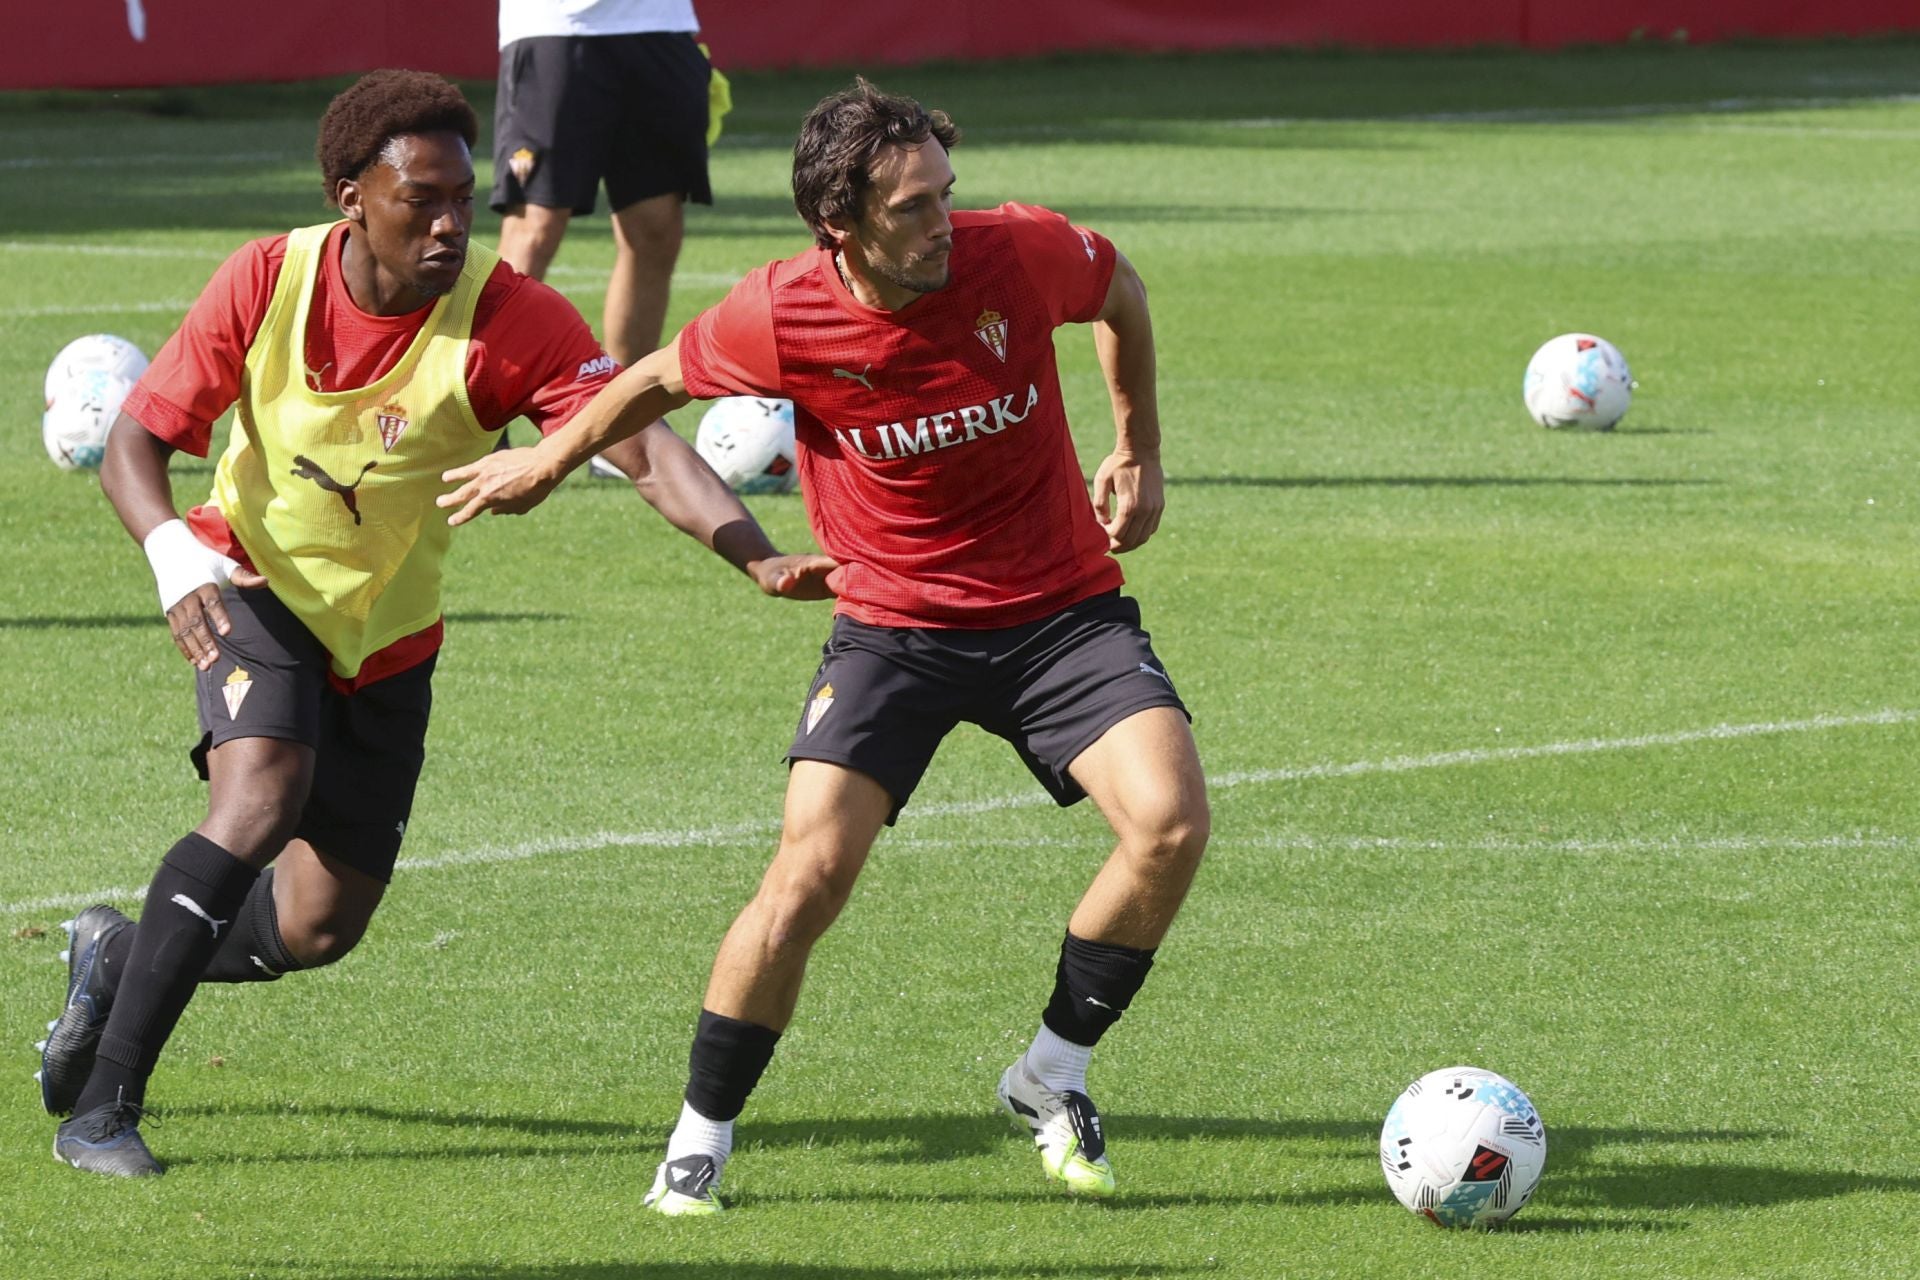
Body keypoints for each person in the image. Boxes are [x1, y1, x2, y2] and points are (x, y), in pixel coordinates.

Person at [39, 68, 830, 1179]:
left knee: (317, 926)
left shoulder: (511, 318)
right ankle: (103, 1110)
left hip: (392, 639)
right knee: (259, 788)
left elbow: (641, 446)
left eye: (465, 197)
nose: (454, 222)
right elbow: (137, 444)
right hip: (251, 586)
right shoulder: (265, 279)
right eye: (424, 199)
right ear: (348, 196)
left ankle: (119, 952)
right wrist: (177, 558)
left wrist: (754, 552)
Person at [440, 78, 1210, 1214]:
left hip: (1059, 610)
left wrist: (1137, 446)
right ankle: (700, 1135)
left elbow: (1122, 290)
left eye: (943, 192)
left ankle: (1053, 1072)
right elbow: (652, 377)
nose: (943, 220)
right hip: (894, 624)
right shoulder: (782, 312)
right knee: (806, 876)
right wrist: (545, 461)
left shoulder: (1017, 251)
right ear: (838, 226)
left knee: (1170, 824)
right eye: (912, 207)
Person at [491, 0, 716, 482]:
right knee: (534, 228)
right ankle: (483, 416)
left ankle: (621, 422)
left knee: (655, 228)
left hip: (660, 24)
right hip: (554, 24)